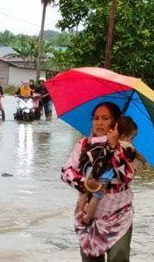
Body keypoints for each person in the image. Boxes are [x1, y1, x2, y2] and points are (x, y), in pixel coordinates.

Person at [61, 102, 136, 260]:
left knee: (119, 258)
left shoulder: (125, 147)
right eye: (96, 118)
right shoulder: (83, 145)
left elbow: (127, 176)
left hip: (119, 215)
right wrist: (86, 183)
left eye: (105, 118)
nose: (99, 122)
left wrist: (114, 146)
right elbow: (66, 172)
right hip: (89, 213)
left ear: (115, 123)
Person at [76, 116, 148, 225]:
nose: (132, 141)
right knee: (97, 195)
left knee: (84, 191)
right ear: (123, 136)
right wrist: (144, 161)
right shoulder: (127, 147)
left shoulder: (103, 139)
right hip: (106, 174)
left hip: (91, 169)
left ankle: (80, 211)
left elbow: (90, 142)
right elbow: (129, 173)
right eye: (132, 138)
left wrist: (91, 133)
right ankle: (87, 217)